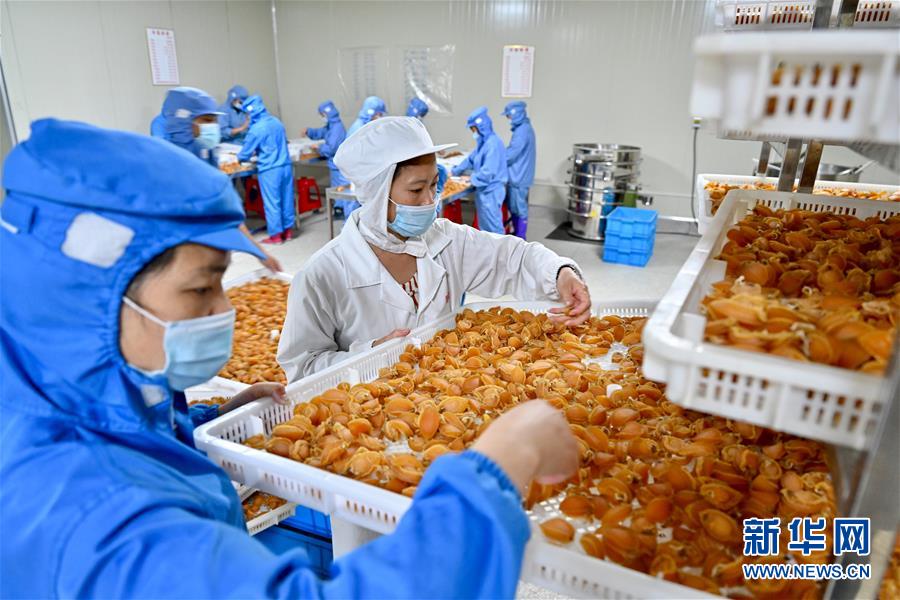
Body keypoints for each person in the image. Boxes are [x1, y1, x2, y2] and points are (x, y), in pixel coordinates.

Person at [0, 118, 579, 598]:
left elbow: (135, 445)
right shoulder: (90, 518)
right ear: (90, 296)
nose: (224, 309)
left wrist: (203, 422)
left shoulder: (90, 393)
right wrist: (500, 465)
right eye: (200, 289)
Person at [277, 117, 591, 381]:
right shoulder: (321, 275)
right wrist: (370, 355)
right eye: (416, 189)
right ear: (376, 194)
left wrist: (560, 273)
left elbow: (514, 258)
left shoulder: (446, 240)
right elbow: (302, 369)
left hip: (446, 393)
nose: (430, 201)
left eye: (433, 185)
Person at [160, 87, 281, 272]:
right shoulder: (167, 165)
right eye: (207, 120)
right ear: (183, 121)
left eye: (215, 120)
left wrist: (260, 253)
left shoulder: (206, 155)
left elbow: (226, 209)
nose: (214, 127)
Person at [238, 94, 295, 245]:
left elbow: (244, 155)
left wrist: (243, 155)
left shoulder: (256, 129)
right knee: (287, 199)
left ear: (251, 112)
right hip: (285, 166)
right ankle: (288, 231)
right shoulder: (277, 122)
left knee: (272, 203)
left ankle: (276, 236)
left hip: (270, 169)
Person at [451, 106, 509, 235]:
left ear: (481, 127)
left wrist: (470, 178)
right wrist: (455, 171)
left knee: (493, 229)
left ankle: (501, 249)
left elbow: (488, 173)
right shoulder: (483, 143)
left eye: (473, 129)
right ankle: (487, 248)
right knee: (485, 229)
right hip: (484, 191)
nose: (473, 133)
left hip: (491, 191)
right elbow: (471, 159)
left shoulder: (493, 144)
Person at [303, 100, 350, 213]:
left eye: (322, 115)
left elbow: (331, 149)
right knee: (337, 188)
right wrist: (309, 131)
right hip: (334, 165)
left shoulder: (337, 129)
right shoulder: (332, 126)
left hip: (338, 165)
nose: (322, 117)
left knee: (340, 188)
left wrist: (318, 148)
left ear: (325, 114)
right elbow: (322, 132)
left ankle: (340, 209)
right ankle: (338, 207)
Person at [502, 101, 536, 240]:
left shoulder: (522, 131)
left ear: (515, 114)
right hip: (520, 175)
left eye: (509, 116)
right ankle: (517, 234)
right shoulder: (524, 128)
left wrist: (494, 159)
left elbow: (511, 154)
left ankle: (521, 237)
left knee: (518, 207)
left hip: (519, 176)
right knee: (515, 206)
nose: (508, 119)